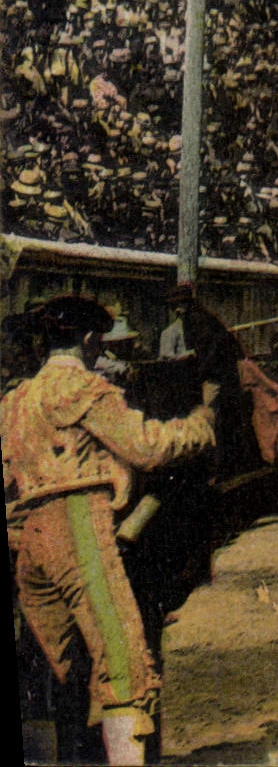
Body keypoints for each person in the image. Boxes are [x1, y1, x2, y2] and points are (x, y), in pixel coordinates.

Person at [3, 296, 217, 766]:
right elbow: (146, 447)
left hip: (26, 544)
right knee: (124, 666)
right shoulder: (83, 387)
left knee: (69, 667)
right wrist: (202, 424)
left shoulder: (15, 401)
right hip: (76, 526)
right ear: (88, 339)